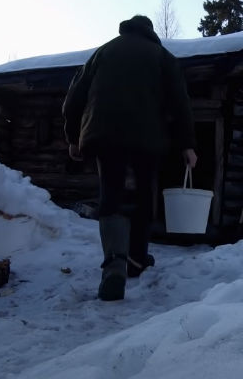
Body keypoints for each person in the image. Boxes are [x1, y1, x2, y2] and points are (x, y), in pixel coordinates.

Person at [63, 15, 197, 301]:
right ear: (151, 33)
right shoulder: (163, 56)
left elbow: (74, 98)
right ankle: (136, 259)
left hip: (104, 135)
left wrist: (73, 137)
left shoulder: (103, 52)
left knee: (111, 195)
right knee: (144, 195)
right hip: (148, 139)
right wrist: (187, 145)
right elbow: (180, 102)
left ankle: (115, 266)